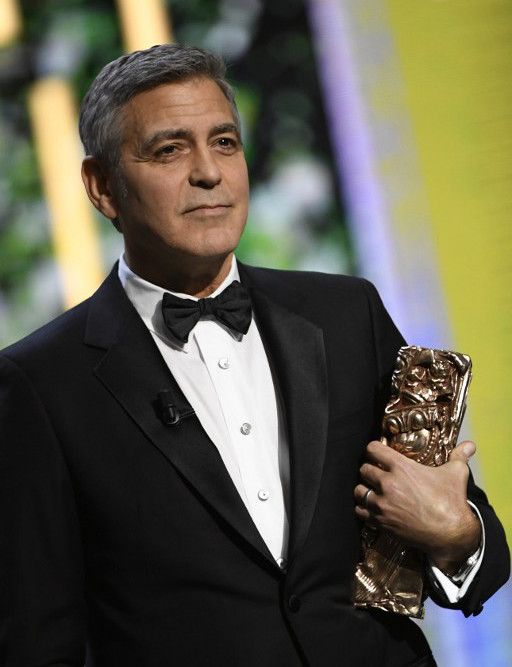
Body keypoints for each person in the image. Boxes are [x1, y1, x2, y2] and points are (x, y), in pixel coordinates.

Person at [0, 44, 508, 667]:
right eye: (169, 149)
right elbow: (35, 639)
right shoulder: (40, 384)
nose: (209, 172)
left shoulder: (347, 315)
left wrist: (457, 534)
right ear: (102, 187)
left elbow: (476, 550)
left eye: (225, 142)